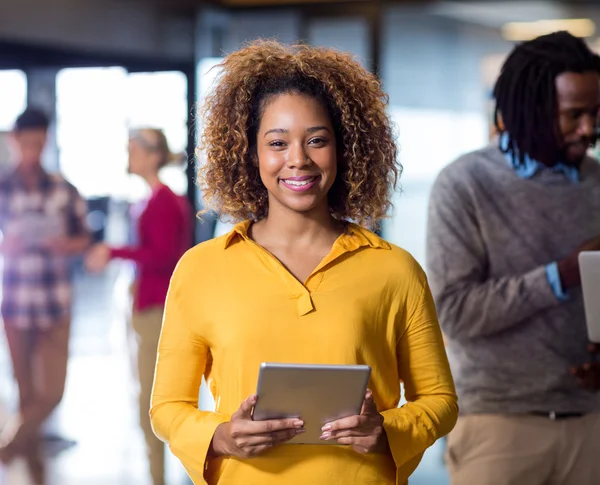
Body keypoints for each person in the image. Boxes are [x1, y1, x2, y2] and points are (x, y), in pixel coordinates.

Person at [150, 40, 458, 485]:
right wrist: (220, 437)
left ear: (343, 148)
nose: (298, 159)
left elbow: (440, 400)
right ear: (249, 153)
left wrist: (386, 430)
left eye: (317, 140)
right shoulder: (201, 269)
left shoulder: (396, 270)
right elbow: (167, 407)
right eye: (277, 142)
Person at [427, 31, 600, 485]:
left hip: (591, 424)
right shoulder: (465, 184)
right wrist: (564, 272)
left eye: (596, 113)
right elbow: (456, 312)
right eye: (574, 115)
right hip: (498, 427)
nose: (589, 129)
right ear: (532, 111)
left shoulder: (598, 183)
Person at [85, 128, 192, 485]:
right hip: (152, 305)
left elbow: (163, 256)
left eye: (133, 149)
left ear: (152, 155)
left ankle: (159, 477)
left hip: (158, 308)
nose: (128, 155)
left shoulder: (163, 201)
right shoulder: (157, 198)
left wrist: (113, 252)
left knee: (151, 400)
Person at [0, 108, 91, 483]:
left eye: (39, 143)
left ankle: (8, 446)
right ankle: (37, 476)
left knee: (51, 391)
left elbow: (85, 237)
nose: (33, 150)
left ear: (46, 141)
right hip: (16, 302)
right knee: (25, 395)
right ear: (15, 142)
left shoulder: (63, 188)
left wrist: (63, 244)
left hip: (55, 301)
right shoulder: (2, 186)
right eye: (27, 143)